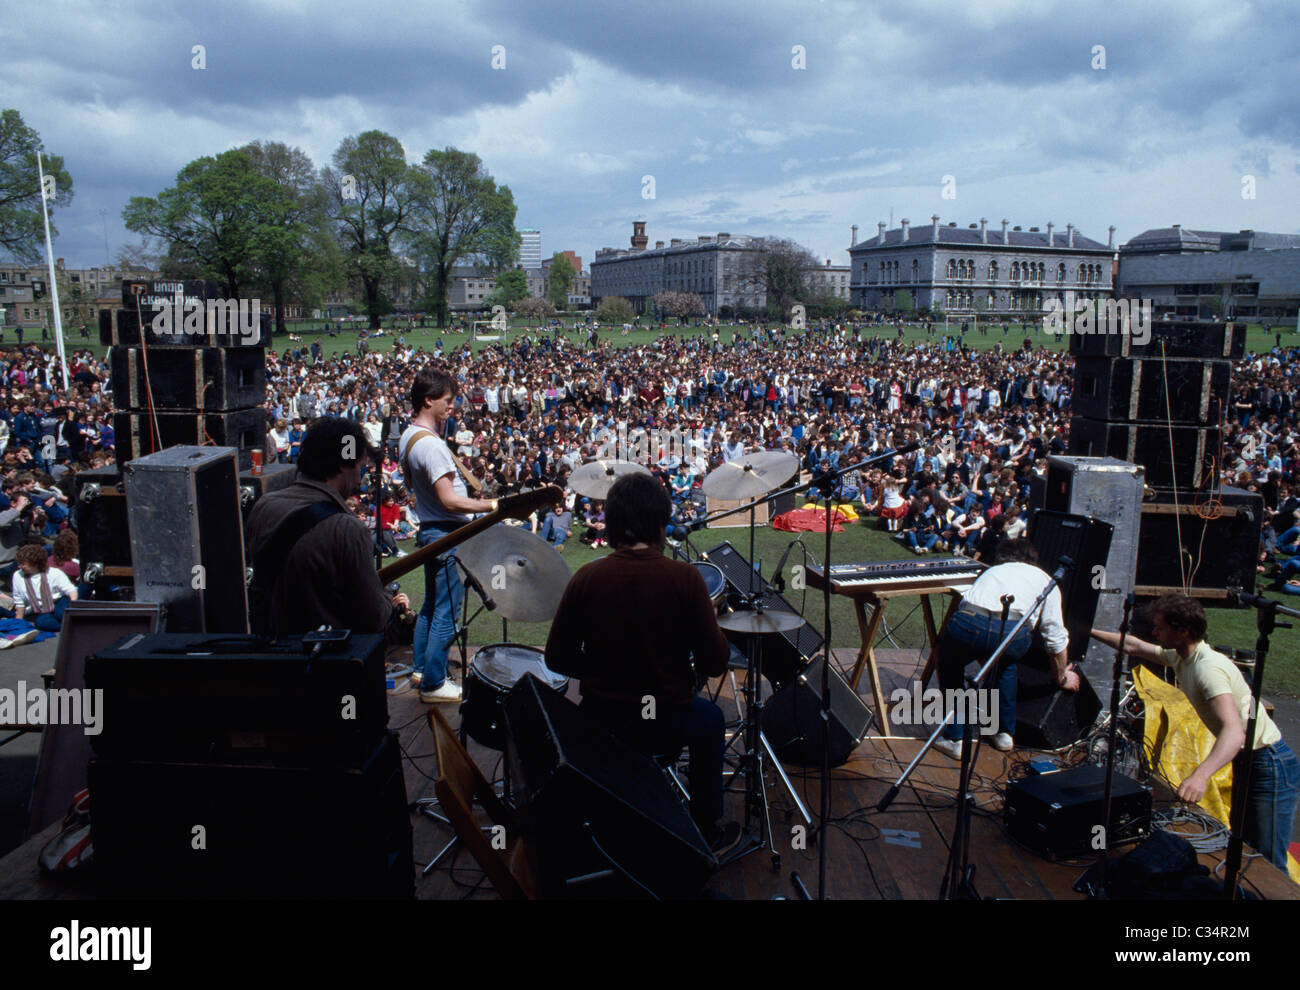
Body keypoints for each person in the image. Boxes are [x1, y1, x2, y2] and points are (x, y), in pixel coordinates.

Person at [545, 473, 740, 855]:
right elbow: (715, 664)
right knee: (712, 721)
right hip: (665, 720)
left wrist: (605, 670)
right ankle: (705, 831)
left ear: (613, 524)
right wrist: (709, 621)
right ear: (662, 525)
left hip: (601, 720)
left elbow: (557, 657)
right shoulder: (685, 579)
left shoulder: (587, 577)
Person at [1091, 595, 1300, 871]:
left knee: (1270, 861)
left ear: (1182, 631)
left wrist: (1201, 775)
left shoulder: (1206, 669)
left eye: (1160, 628)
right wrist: (1084, 630)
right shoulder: (1183, 656)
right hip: (1251, 761)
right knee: (1245, 847)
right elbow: (1134, 645)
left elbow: (1235, 733)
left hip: (1269, 763)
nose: (1154, 633)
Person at [245, 417, 408, 637]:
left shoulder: (263, 507)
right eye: (360, 467)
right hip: (323, 660)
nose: (360, 480)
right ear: (344, 464)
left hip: (272, 654)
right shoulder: (347, 529)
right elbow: (373, 618)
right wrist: (389, 599)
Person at [400, 369, 497, 704]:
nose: (452, 407)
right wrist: (491, 506)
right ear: (429, 399)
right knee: (447, 612)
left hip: (431, 530)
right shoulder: (432, 446)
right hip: (446, 532)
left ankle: (421, 669)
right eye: (448, 400)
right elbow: (450, 499)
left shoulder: (408, 436)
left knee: (430, 606)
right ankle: (434, 683)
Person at [933, 540, 1076, 758]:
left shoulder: (992, 572)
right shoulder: (1047, 580)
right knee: (1006, 667)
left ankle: (955, 737)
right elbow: (1055, 637)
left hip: (968, 622)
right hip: (1013, 631)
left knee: (950, 667)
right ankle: (1004, 733)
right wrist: (1062, 677)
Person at [12, 543, 77, 631]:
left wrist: (73, 607)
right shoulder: (17, 576)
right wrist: (18, 623)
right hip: (43, 609)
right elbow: (19, 601)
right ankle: (70, 626)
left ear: (35, 563)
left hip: (60, 601)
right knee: (40, 623)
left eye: (23, 564)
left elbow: (71, 591)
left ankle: (75, 622)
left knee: (61, 613)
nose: (19, 567)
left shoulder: (54, 573)